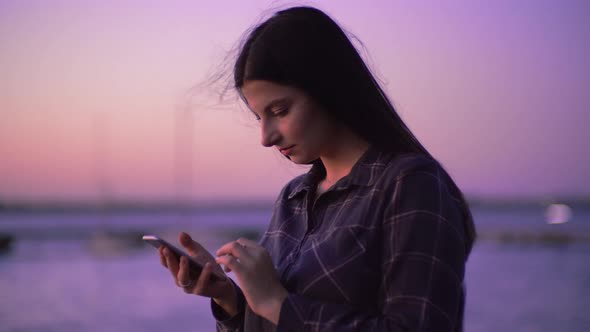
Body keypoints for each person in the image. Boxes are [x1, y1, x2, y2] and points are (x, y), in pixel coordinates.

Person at [157, 6, 476, 332]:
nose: (266, 138)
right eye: (259, 118)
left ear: (329, 88)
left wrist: (276, 303)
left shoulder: (409, 184)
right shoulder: (293, 198)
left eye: (279, 110)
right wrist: (232, 302)